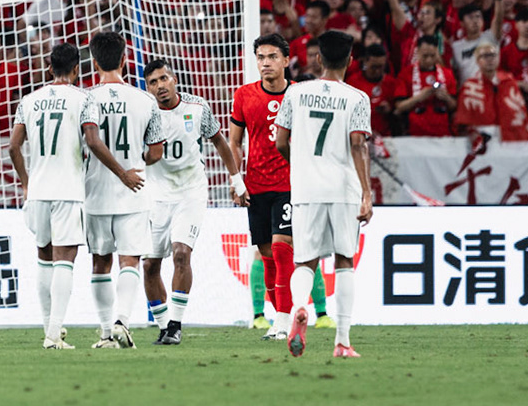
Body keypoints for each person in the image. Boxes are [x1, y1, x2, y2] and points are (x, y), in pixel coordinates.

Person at [274, 31, 374, 359]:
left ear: (318, 59)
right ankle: (342, 342)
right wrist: (367, 193)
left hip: (306, 189)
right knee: (344, 261)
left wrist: (301, 166)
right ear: (350, 61)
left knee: (305, 260)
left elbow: (280, 141)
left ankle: (300, 307)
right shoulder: (357, 98)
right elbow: (358, 144)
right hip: (343, 190)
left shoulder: (296, 93)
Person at [142, 60, 241, 345]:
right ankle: (162, 327)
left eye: (164, 79)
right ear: (148, 88)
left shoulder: (197, 107)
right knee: (149, 265)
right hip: (156, 194)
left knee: (181, 254)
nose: (160, 86)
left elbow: (220, 142)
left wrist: (237, 181)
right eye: (153, 82)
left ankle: (175, 325)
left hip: (191, 192)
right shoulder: (145, 114)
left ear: (174, 79)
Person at [80, 30, 162, 349]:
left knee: (101, 262)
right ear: (125, 60)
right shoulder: (146, 100)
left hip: (96, 193)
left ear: (94, 62)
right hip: (135, 190)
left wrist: (112, 171)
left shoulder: (88, 98)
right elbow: (155, 152)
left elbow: (88, 141)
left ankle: (104, 332)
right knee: (130, 259)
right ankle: (122, 321)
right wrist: (132, 166)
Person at [10, 44, 91, 349]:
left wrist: (26, 183)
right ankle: (53, 333)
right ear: (76, 70)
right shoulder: (82, 99)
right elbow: (92, 141)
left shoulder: (29, 100)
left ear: (49, 68)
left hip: (38, 192)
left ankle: (49, 328)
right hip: (68, 190)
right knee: (65, 260)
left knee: (43, 257)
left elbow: (13, 147)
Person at [231, 34, 296, 337]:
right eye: (260, 57)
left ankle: (283, 322)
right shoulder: (244, 95)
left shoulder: (299, 94)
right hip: (256, 184)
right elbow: (234, 142)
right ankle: (278, 318)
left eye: (272, 57)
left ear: (286, 60)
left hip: (290, 183)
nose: (266, 63)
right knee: (267, 254)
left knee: (283, 250)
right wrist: (236, 179)